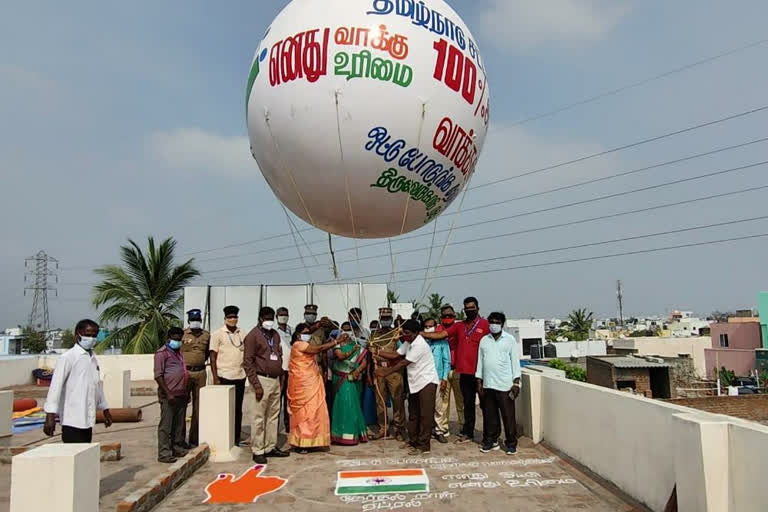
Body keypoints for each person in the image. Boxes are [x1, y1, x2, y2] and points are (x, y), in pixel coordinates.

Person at [422, 297, 488, 443]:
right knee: (464, 404)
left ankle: (489, 435)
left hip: (479, 372)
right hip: (460, 371)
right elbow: (440, 335)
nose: (469, 310)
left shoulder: (485, 324)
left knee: (482, 405)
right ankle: (461, 431)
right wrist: (421, 333)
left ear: (477, 307)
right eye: (467, 308)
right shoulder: (458, 327)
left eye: (472, 307)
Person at [375, 320, 439, 455]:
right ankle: (413, 440)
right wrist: (378, 351)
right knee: (413, 413)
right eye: (403, 333)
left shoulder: (419, 344)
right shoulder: (408, 342)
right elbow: (396, 355)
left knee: (425, 415)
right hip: (415, 383)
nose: (404, 335)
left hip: (426, 382)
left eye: (407, 333)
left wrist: (385, 372)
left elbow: (403, 362)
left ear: (416, 333)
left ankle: (423, 445)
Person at [43, 319, 112, 443]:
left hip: (88, 418)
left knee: (84, 456)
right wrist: (50, 415)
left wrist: (105, 410)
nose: (91, 338)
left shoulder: (93, 358)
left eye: (94, 336)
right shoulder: (68, 358)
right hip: (72, 420)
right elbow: (55, 387)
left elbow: (97, 385)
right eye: (88, 335)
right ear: (78, 335)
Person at [244, 306, 289, 464]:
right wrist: (256, 385)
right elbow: (248, 362)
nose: (270, 321)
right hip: (261, 379)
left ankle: (270, 446)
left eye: (272, 318)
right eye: (267, 318)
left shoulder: (275, 335)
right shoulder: (253, 336)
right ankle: (258, 449)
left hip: (275, 379)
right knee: (258, 417)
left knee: (273, 416)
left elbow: (279, 355)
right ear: (260, 319)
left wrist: (281, 378)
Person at [288, 323, 341, 452]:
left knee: (316, 411)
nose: (307, 335)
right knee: (304, 413)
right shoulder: (298, 344)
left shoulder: (305, 344)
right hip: (302, 384)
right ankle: (302, 442)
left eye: (308, 333)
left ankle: (314, 440)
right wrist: (336, 342)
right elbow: (319, 349)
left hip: (312, 381)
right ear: (298, 335)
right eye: (305, 333)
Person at [476, 312, 521, 455]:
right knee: (490, 416)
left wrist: (516, 383)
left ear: (502, 324)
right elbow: (480, 363)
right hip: (488, 384)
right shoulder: (484, 340)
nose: (493, 325)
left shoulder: (510, 340)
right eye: (491, 322)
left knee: (508, 416)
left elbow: (515, 362)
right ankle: (491, 441)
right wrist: (479, 381)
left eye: (497, 322)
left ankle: (511, 443)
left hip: (505, 385)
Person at [210, 305, 246, 446]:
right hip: (224, 376)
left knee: (238, 410)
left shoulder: (242, 333)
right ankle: (226, 437)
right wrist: (215, 377)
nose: (232, 319)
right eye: (230, 317)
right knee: (225, 409)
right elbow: (213, 357)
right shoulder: (217, 334)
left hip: (240, 375)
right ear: (225, 319)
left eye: (234, 317)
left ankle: (236, 439)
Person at [369, 307, 406, 440]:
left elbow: (400, 354)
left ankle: (399, 429)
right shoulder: (374, 335)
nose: (385, 320)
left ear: (391, 319)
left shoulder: (397, 334)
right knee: (380, 401)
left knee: (398, 399)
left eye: (387, 318)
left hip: (394, 370)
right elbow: (371, 353)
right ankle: (383, 428)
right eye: (383, 318)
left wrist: (382, 355)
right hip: (379, 369)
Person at [154, 327, 190, 463]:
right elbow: (158, 375)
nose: (177, 341)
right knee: (166, 425)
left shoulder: (178, 352)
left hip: (181, 392)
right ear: (169, 338)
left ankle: (176, 447)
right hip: (169, 394)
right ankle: (164, 452)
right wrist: (168, 393)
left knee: (179, 424)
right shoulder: (162, 353)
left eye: (179, 339)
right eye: (175, 338)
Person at [330, 327, 369, 445]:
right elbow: (341, 357)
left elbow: (364, 361)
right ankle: (339, 434)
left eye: (349, 330)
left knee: (353, 404)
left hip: (353, 378)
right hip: (340, 379)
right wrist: (352, 350)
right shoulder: (337, 345)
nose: (347, 333)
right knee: (342, 404)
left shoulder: (358, 345)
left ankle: (353, 433)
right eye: (344, 330)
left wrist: (359, 370)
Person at [434, 305, 464, 439]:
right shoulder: (437, 330)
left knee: (460, 401)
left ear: (455, 316)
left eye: (450, 316)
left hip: (458, 369)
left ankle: (463, 426)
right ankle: (443, 427)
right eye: (445, 316)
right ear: (441, 317)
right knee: (443, 402)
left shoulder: (460, 329)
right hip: (443, 372)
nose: (447, 318)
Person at [181, 308, 209, 447]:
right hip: (185, 372)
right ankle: (180, 438)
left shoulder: (206, 335)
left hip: (200, 372)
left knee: (199, 406)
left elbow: (208, 353)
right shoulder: (183, 335)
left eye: (197, 320)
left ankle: (195, 437)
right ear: (188, 321)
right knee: (182, 404)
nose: (195, 323)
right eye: (193, 320)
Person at [423, 318, 450, 444]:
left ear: (436, 326)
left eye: (431, 326)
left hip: (438, 377)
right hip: (424, 378)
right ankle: (426, 430)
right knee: (425, 406)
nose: (428, 328)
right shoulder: (421, 342)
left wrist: (444, 378)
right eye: (426, 326)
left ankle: (439, 430)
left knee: (439, 406)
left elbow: (447, 361)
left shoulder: (442, 342)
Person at [276, 307, 292, 436]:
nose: (283, 317)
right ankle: (275, 427)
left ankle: (288, 425)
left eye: (285, 315)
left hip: (291, 370)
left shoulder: (291, 331)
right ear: (276, 317)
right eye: (281, 315)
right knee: (277, 400)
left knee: (289, 400)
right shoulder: (274, 332)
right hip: (280, 371)